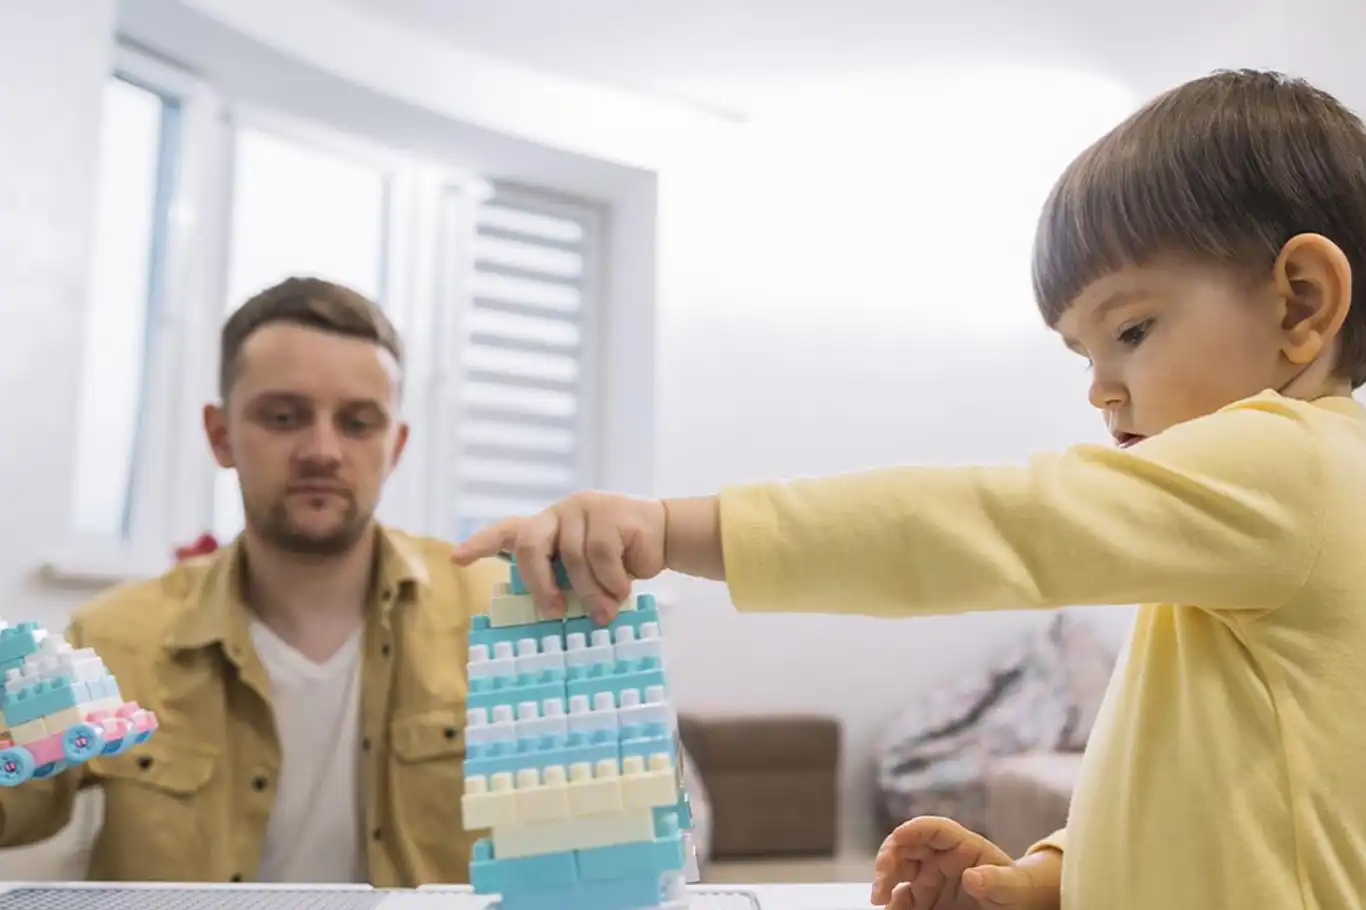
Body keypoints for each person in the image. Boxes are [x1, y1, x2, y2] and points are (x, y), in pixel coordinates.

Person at [452, 68, 1366, 910]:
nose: (1100, 389)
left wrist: (671, 528)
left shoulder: (1292, 466)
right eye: (1082, 355)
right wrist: (1048, 875)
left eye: (1130, 331)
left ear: (1299, 302)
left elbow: (986, 524)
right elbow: (1202, 782)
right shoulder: (1256, 525)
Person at [0, 277, 503, 885]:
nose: (322, 450)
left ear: (395, 446)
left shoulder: (496, 619)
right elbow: (13, 805)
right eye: (284, 417)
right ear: (221, 435)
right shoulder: (113, 639)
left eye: (358, 423)